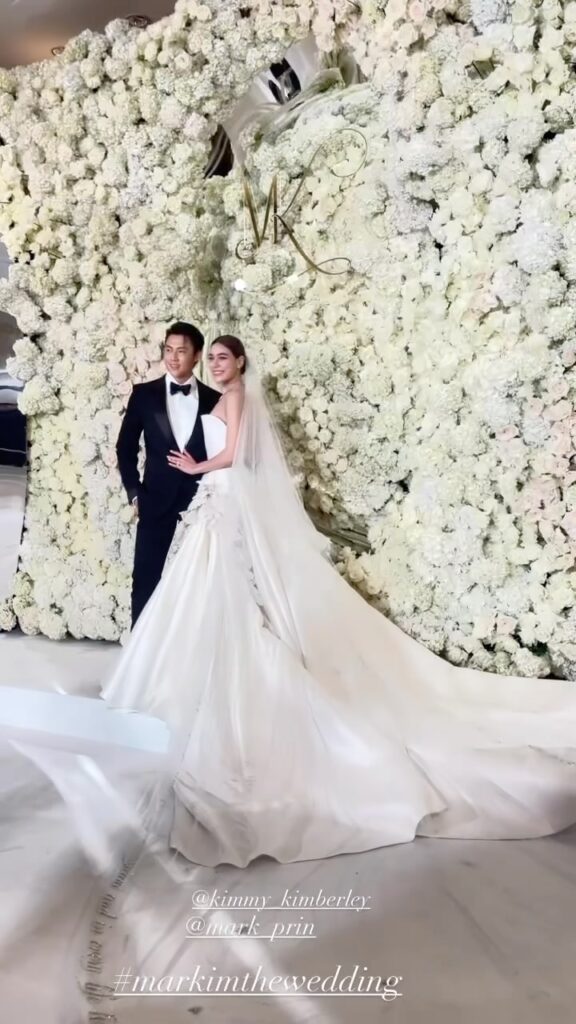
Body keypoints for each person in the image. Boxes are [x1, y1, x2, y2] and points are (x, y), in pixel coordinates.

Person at [95, 335, 576, 868]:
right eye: (212, 358)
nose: (214, 364)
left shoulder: (230, 397)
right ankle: (183, 667)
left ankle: (215, 669)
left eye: (221, 357)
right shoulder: (212, 395)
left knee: (225, 584)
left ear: (240, 362)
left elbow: (233, 454)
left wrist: (196, 468)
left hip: (220, 495)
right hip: (211, 498)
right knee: (195, 581)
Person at [116, 321, 220, 625]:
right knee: (145, 581)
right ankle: (139, 650)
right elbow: (124, 448)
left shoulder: (215, 400)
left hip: (201, 505)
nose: (173, 357)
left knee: (199, 585)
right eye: (169, 350)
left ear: (197, 355)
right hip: (154, 500)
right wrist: (135, 494)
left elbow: (224, 452)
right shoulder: (143, 395)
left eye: (182, 351)